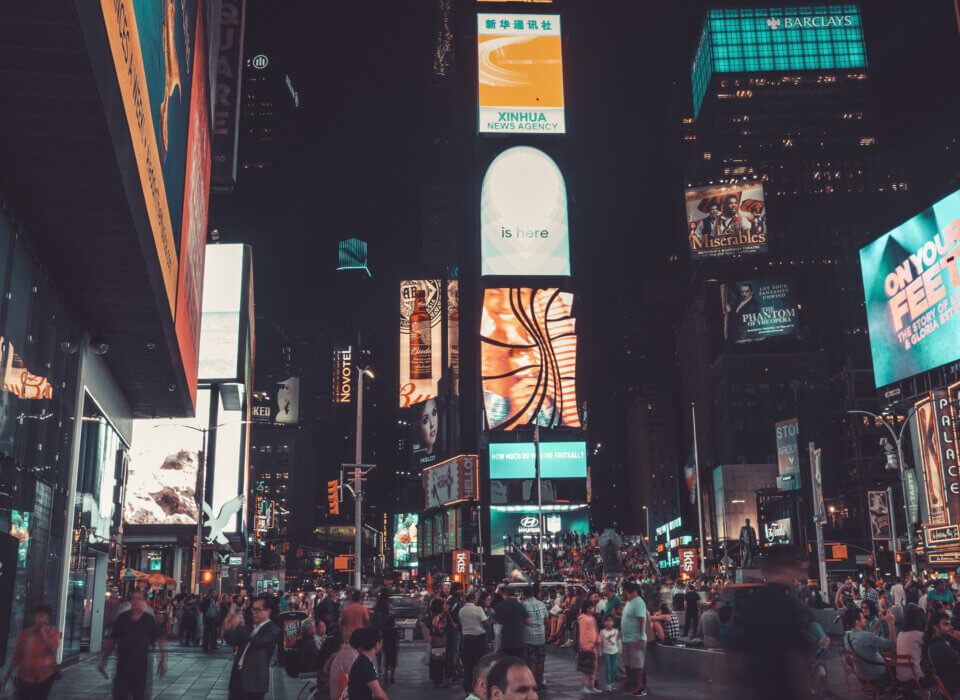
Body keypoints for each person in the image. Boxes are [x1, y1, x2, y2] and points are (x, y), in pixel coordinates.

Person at [99, 590, 167, 700]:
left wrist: (162, 660)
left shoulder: (148, 619)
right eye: (134, 599)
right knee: (119, 695)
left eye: (139, 598)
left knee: (139, 695)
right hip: (123, 666)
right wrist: (104, 659)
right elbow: (112, 639)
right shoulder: (123, 618)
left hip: (140, 667)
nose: (136, 601)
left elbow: (159, 638)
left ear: (144, 601)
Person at [222, 593, 282, 700]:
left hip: (255, 681)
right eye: (253, 609)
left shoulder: (273, 629)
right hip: (238, 677)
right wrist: (229, 627)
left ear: (268, 611)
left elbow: (259, 641)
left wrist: (242, 626)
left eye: (258, 610)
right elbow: (232, 640)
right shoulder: (249, 627)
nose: (254, 613)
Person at [4, 603, 60, 699]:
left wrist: (42, 630)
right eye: (38, 615)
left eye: (43, 615)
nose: (40, 617)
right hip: (24, 676)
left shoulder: (53, 632)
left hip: (45, 676)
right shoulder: (26, 634)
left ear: (48, 618)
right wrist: (8, 674)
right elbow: (17, 656)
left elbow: (52, 647)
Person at [842, 605, 896, 687]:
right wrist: (890, 624)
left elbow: (868, 636)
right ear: (857, 622)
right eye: (863, 618)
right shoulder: (867, 637)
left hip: (862, 677)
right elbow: (892, 644)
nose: (865, 620)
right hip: (877, 676)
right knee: (898, 669)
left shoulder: (847, 637)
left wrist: (879, 622)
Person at [621, 581, 648, 696]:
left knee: (637, 664)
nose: (626, 595)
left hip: (636, 639)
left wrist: (641, 637)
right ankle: (632, 682)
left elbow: (641, 620)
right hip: (627, 638)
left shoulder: (638, 602)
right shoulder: (629, 602)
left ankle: (640, 686)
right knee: (628, 663)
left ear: (633, 592)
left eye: (627, 593)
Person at [461, 592, 490, 695]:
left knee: (468, 666)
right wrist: (488, 619)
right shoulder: (478, 609)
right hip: (478, 640)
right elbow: (486, 624)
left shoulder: (461, 610)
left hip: (465, 640)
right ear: (473, 599)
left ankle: (467, 689)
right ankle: (478, 687)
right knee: (479, 664)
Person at [347, 627, 389, 700]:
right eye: (381, 642)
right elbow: (379, 695)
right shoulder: (364, 664)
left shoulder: (362, 660)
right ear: (377, 644)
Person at [924, 611, 960, 694]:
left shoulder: (935, 643)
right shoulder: (939, 647)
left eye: (950, 624)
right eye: (946, 624)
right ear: (936, 628)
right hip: (955, 690)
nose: (951, 627)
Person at [521, 588, 547, 692]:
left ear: (523, 594)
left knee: (531, 662)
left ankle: (533, 684)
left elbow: (522, 621)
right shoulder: (542, 604)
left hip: (529, 638)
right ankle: (540, 682)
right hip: (541, 637)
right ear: (532, 593)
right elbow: (546, 620)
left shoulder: (523, 606)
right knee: (540, 662)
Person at [494, 588, 529, 659]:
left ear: (504, 595)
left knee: (507, 663)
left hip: (506, 641)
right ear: (514, 594)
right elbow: (528, 621)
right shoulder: (520, 605)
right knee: (518, 663)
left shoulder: (500, 605)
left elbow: (496, 621)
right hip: (518, 641)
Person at [896, 605, 926, 688]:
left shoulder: (900, 634)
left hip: (900, 678)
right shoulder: (919, 635)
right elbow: (931, 648)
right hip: (915, 679)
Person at [577, 600, 600, 694]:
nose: (594, 609)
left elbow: (596, 630)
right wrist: (585, 645)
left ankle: (592, 685)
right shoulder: (583, 618)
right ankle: (584, 686)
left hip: (594, 647)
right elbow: (582, 633)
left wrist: (597, 640)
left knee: (593, 668)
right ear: (588, 608)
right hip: (587, 647)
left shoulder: (592, 618)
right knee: (587, 668)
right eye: (592, 607)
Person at [428, 597, 450, 689]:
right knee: (438, 661)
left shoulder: (436, 615)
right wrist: (439, 631)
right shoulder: (438, 616)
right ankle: (438, 682)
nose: (445, 606)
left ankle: (438, 680)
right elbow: (435, 624)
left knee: (438, 661)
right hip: (438, 642)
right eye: (443, 604)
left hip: (438, 641)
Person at [599, 615, 621, 692]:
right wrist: (600, 653)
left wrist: (620, 651)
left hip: (615, 652)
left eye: (610, 620)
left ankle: (612, 682)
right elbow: (600, 643)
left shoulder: (615, 631)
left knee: (614, 668)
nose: (608, 622)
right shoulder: (602, 632)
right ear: (604, 622)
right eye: (607, 620)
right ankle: (608, 684)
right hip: (606, 652)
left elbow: (618, 642)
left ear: (613, 622)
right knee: (608, 668)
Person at [201, 588, 219, 653]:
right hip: (208, 618)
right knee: (206, 632)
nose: (215, 594)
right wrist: (205, 612)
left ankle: (213, 646)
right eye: (213, 592)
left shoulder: (215, 599)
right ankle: (205, 646)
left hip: (214, 617)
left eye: (215, 592)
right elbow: (201, 607)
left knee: (213, 633)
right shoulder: (206, 599)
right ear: (210, 593)